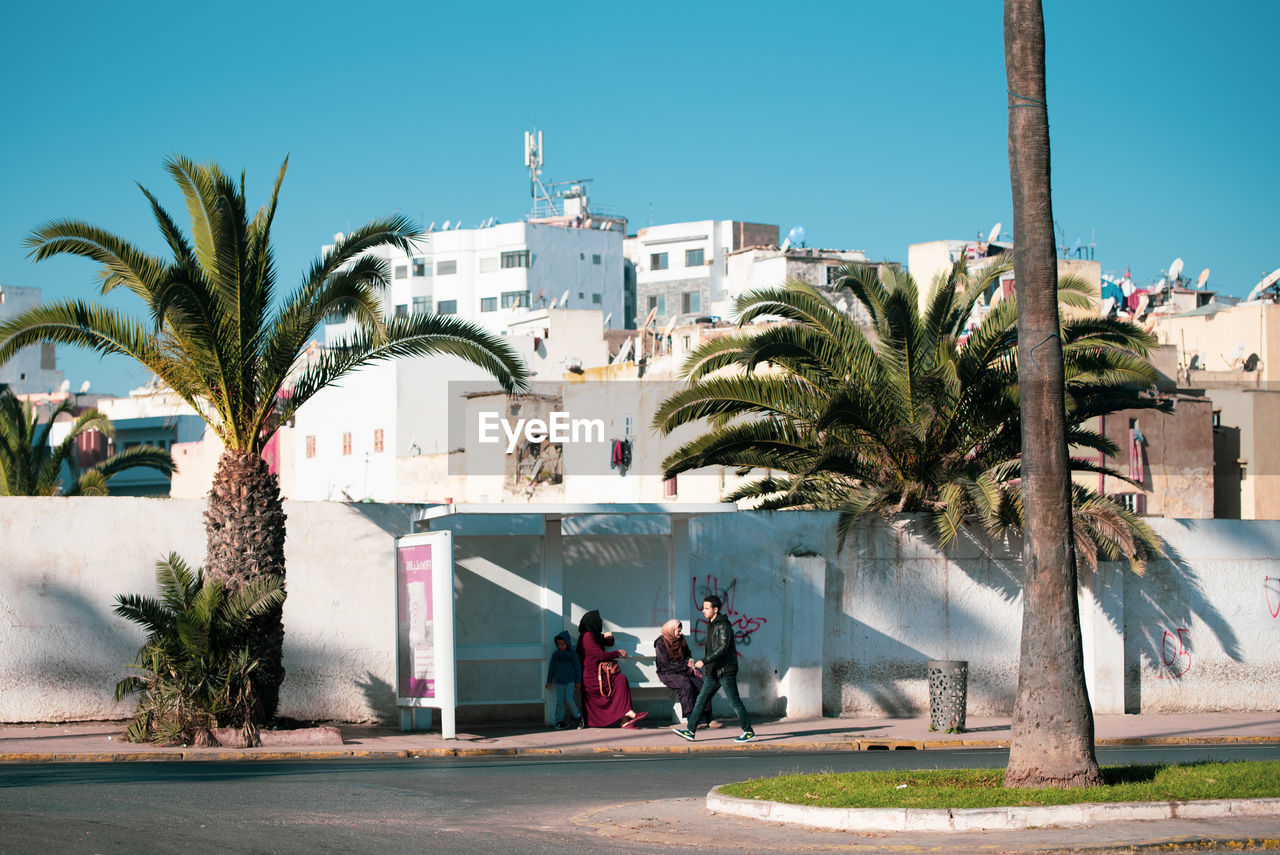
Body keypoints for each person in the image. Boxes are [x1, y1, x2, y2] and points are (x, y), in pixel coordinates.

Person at [672, 595, 755, 743]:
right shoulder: (711, 624)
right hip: (713, 671)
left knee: (734, 702)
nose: (703, 611)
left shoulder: (723, 625)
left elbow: (722, 648)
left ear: (715, 609)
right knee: (701, 700)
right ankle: (690, 731)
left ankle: (748, 731)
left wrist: (703, 661)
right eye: (703, 608)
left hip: (725, 670)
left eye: (706, 608)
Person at [576, 610, 649, 728]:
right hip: (592, 678)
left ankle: (625, 720)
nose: (601, 621)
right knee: (620, 680)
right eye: (599, 619)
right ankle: (629, 714)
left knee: (621, 679)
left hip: (599, 674)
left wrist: (609, 638)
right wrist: (618, 653)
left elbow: (608, 642)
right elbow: (601, 655)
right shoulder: (587, 636)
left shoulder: (592, 635)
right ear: (593, 621)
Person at [653, 619, 719, 728]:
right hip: (667, 673)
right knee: (685, 686)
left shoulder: (681, 639)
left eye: (680, 631)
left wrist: (690, 660)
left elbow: (687, 653)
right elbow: (665, 664)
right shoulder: (661, 642)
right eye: (678, 631)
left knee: (701, 685)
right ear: (671, 630)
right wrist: (686, 667)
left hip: (684, 670)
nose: (680, 633)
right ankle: (691, 718)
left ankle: (709, 717)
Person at [544, 630, 583, 729]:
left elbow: (578, 668)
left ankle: (579, 717)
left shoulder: (572, 655)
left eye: (563, 644)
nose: (560, 646)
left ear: (567, 643)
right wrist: (549, 681)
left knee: (569, 699)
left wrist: (578, 682)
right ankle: (559, 721)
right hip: (559, 683)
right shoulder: (555, 655)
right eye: (559, 644)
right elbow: (551, 668)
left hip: (570, 682)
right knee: (560, 702)